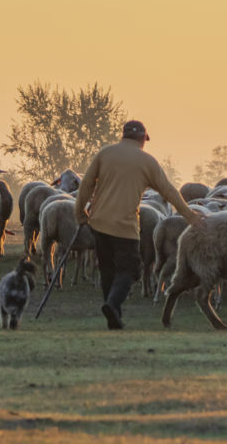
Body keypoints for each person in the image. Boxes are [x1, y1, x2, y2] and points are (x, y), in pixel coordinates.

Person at [75, 120, 200, 329]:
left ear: (123, 136)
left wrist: (79, 212)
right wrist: (190, 215)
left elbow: (86, 184)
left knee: (107, 269)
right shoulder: (146, 161)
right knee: (132, 269)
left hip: (98, 221)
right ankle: (113, 305)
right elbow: (168, 191)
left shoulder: (105, 154)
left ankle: (113, 317)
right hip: (124, 226)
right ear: (143, 139)